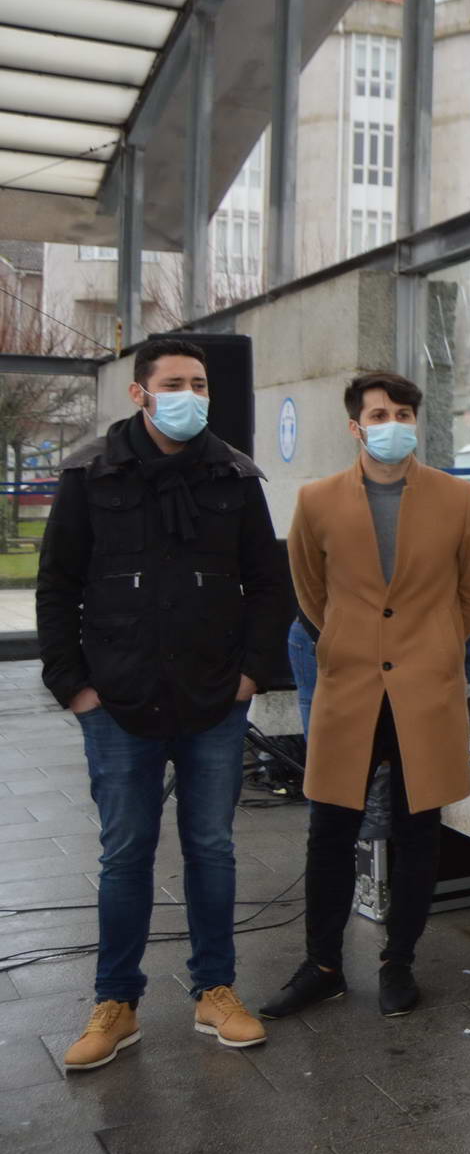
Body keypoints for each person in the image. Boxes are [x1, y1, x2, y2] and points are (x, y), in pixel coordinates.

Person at [37, 337, 290, 1068]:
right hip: (116, 699)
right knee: (125, 852)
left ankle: (215, 989)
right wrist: (73, 686)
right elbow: (57, 584)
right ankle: (116, 1002)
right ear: (139, 393)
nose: (191, 394)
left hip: (214, 698)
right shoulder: (91, 473)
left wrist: (251, 677)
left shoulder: (235, 474)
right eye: (175, 382)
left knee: (212, 847)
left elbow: (267, 583)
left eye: (201, 383)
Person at [262, 371, 470, 1020]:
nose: (392, 423)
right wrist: (347, 640)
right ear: (355, 426)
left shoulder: (457, 499)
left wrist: (436, 644)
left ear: (416, 421)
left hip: (424, 690)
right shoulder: (317, 501)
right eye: (379, 413)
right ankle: (323, 965)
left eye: (403, 413)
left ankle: (399, 961)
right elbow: (312, 593)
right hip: (349, 686)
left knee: (418, 828)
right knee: (330, 827)